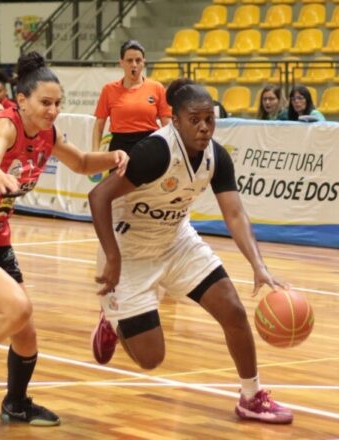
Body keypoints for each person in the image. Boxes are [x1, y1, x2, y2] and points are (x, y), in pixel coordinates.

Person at [0, 52, 128, 426]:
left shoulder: (47, 134)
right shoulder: (5, 126)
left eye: (57, 104)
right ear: (22, 101)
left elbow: (82, 162)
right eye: (45, 103)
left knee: (26, 331)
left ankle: (16, 404)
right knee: (17, 308)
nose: (53, 110)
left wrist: (115, 156)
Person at [88, 78, 293, 425]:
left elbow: (234, 213)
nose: (203, 127)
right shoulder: (155, 153)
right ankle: (113, 320)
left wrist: (258, 266)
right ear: (175, 121)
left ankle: (250, 397)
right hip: (131, 249)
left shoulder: (217, 156)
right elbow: (99, 197)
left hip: (176, 239)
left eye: (209, 119)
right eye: (194, 120)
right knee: (151, 359)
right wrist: (112, 256)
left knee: (233, 310)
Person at [92, 40, 171, 154]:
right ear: (121, 63)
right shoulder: (108, 90)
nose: (134, 64)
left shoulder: (157, 88)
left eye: (138, 60)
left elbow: (166, 124)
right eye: (129, 60)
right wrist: (95, 152)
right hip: (119, 147)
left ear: (144, 62)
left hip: (150, 146)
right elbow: (99, 126)